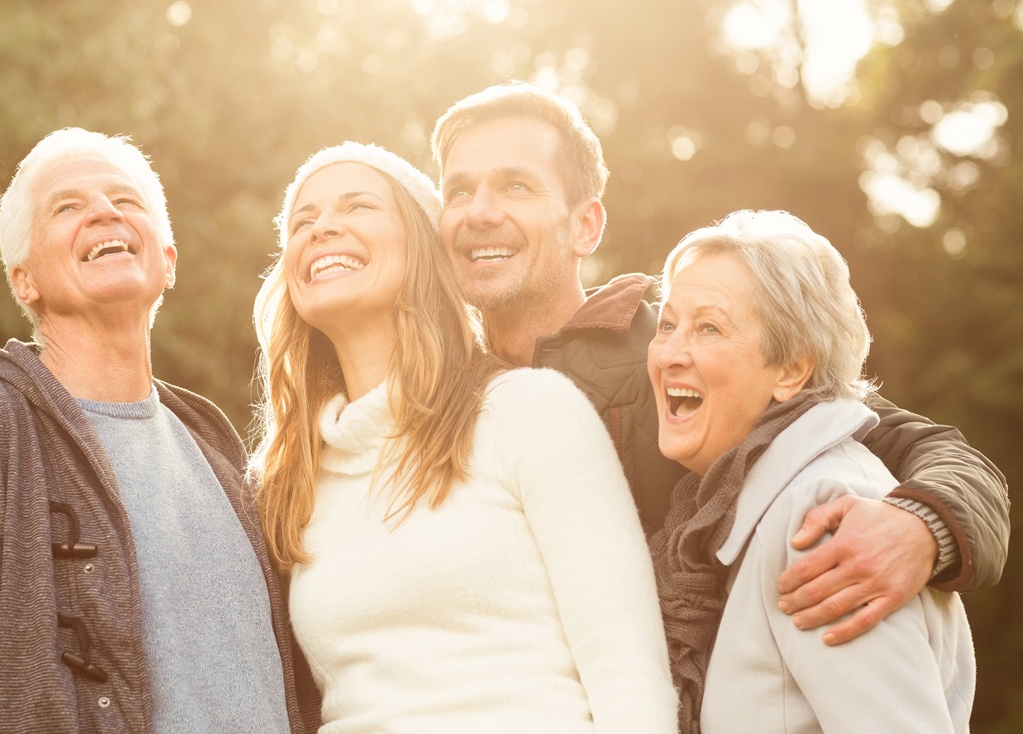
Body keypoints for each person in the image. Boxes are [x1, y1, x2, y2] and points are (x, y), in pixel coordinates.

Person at [430, 81, 1009, 645]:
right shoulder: (420, 391)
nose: (479, 212)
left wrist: (922, 527)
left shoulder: (682, 354)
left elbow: (936, 451)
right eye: (458, 191)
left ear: (585, 226)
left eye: (515, 187)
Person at [0, 128, 316, 733]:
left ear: (167, 258)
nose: (105, 211)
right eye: (67, 206)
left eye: (126, 201)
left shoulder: (216, 446)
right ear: (25, 280)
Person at [250, 142, 678, 733]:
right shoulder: (288, 478)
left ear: (423, 247)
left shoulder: (528, 410)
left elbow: (628, 674)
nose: (323, 228)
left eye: (357, 207)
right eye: (303, 220)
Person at [647, 209, 975, 733]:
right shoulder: (762, 501)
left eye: (708, 327)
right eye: (667, 324)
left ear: (792, 369)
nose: (668, 353)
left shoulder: (820, 516)